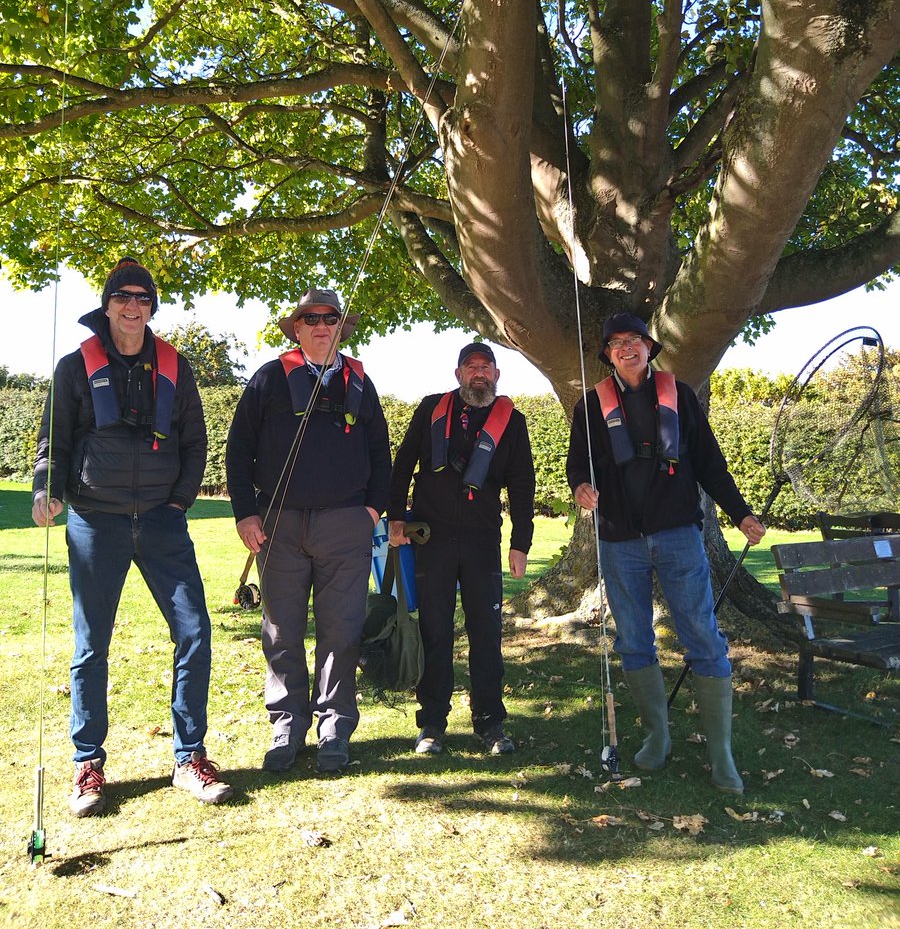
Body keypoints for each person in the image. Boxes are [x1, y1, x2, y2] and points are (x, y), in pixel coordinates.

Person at [32, 258, 233, 817]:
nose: (132, 305)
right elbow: (54, 441)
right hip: (96, 520)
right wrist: (43, 490)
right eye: (123, 296)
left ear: (151, 308)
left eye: (143, 298)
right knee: (91, 646)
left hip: (164, 523)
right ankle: (87, 765)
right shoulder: (75, 368)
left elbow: (196, 439)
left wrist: (180, 499)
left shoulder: (176, 367)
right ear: (108, 304)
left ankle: (190, 757)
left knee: (194, 632)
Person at [566, 313, 766, 794]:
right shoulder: (589, 406)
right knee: (633, 640)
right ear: (608, 354)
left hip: (678, 535)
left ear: (649, 347)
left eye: (633, 340)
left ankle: (722, 756)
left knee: (702, 635)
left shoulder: (681, 395)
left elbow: (711, 464)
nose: (625, 348)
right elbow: (578, 463)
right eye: (616, 343)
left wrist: (741, 514)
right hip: (619, 540)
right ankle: (658, 738)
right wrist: (581, 488)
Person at [226, 288, 391, 773]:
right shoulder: (269, 379)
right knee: (281, 630)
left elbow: (381, 454)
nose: (321, 326)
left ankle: (335, 728)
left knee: (341, 630)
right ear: (296, 328)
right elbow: (239, 450)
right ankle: (286, 726)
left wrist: (373, 511)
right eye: (310, 318)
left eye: (330, 318)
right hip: (280, 522)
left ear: (341, 327)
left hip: (346, 525)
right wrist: (245, 513)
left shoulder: (361, 383)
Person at [387, 342, 535, 756]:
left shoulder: (513, 422)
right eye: (471, 368)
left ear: (497, 375)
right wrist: (395, 515)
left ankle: (490, 724)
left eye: (486, 367)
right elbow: (402, 465)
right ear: (458, 375)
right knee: (435, 632)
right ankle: (431, 724)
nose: (479, 374)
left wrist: (520, 542)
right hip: (430, 541)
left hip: (482, 542)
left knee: (486, 634)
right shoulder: (431, 409)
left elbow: (523, 485)